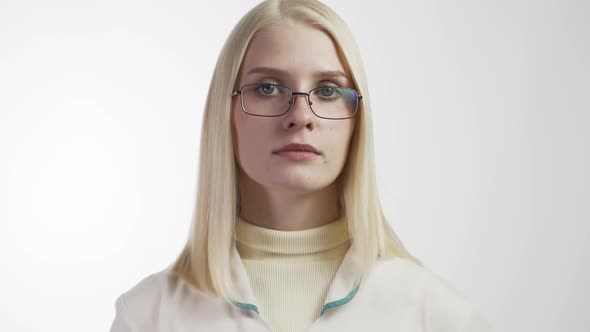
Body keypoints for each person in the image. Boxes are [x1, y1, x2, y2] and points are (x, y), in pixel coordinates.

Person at [109, 0, 492, 331]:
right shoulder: (148, 317)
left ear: (357, 120)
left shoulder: (436, 317)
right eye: (268, 88)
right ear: (225, 114)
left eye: (327, 91)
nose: (300, 116)